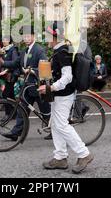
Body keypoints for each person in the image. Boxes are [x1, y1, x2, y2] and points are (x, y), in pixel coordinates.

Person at [40, 21, 94, 174]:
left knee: (62, 125)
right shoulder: (59, 50)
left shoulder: (62, 51)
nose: (46, 38)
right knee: (56, 125)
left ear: (55, 36)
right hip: (59, 95)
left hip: (64, 94)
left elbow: (68, 77)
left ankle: (84, 154)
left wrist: (50, 88)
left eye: (47, 35)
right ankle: (60, 157)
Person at [0, 25, 51, 141]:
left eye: (28, 36)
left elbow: (45, 67)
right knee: (22, 109)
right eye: (24, 36)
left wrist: (33, 71)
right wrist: (3, 63)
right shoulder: (23, 51)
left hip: (38, 86)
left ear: (33, 36)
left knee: (46, 112)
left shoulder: (39, 50)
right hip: (27, 87)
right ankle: (15, 133)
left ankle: (55, 129)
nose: (26, 38)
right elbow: (15, 63)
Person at [0, 36, 20, 122]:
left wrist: (6, 70)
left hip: (12, 75)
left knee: (5, 94)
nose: (4, 41)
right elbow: (1, 63)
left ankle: (8, 114)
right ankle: (15, 113)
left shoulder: (13, 50)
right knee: (11, 95)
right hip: (6, 75)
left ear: (10, 41)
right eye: (3, 39)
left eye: (6, 40)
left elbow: (14, 63)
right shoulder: (3, 50)